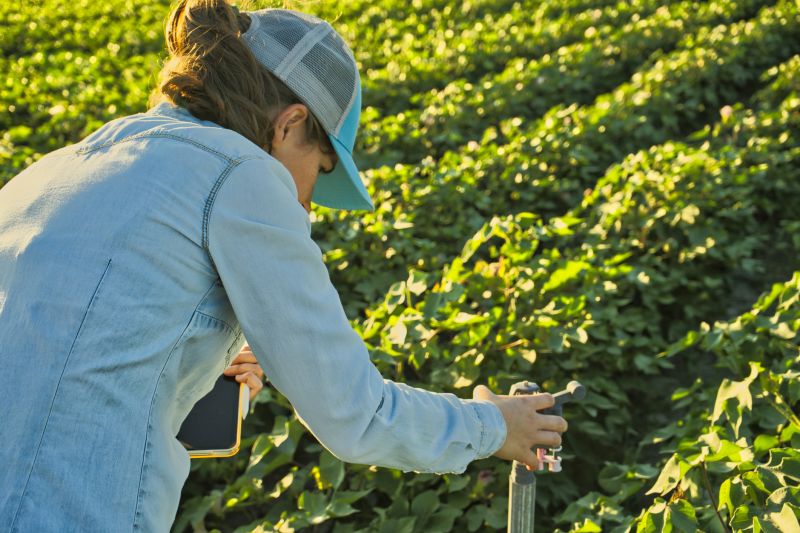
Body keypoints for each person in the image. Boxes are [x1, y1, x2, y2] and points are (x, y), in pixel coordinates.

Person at [0, 1, 568, 531]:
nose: (307, 203)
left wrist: (195, 372)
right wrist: (494, 426)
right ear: (291, 124)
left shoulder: (56, 169)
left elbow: (66, 373)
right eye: (319, 170)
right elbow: (354, 415)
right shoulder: (241, 173)